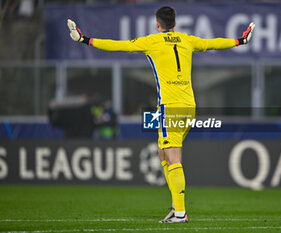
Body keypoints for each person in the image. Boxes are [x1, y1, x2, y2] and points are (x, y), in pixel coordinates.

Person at [67, 6, 255, 223]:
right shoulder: (187, 39)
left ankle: (180, 213)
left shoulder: (151, 42)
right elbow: (213, 43)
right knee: (163, 153)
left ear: (158, 24)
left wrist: (85, 40)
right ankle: (176, 208)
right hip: (189, 106)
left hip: (170, 106)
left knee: (173, 157)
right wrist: (240, 41)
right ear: (175, 23)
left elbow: (119, 46)